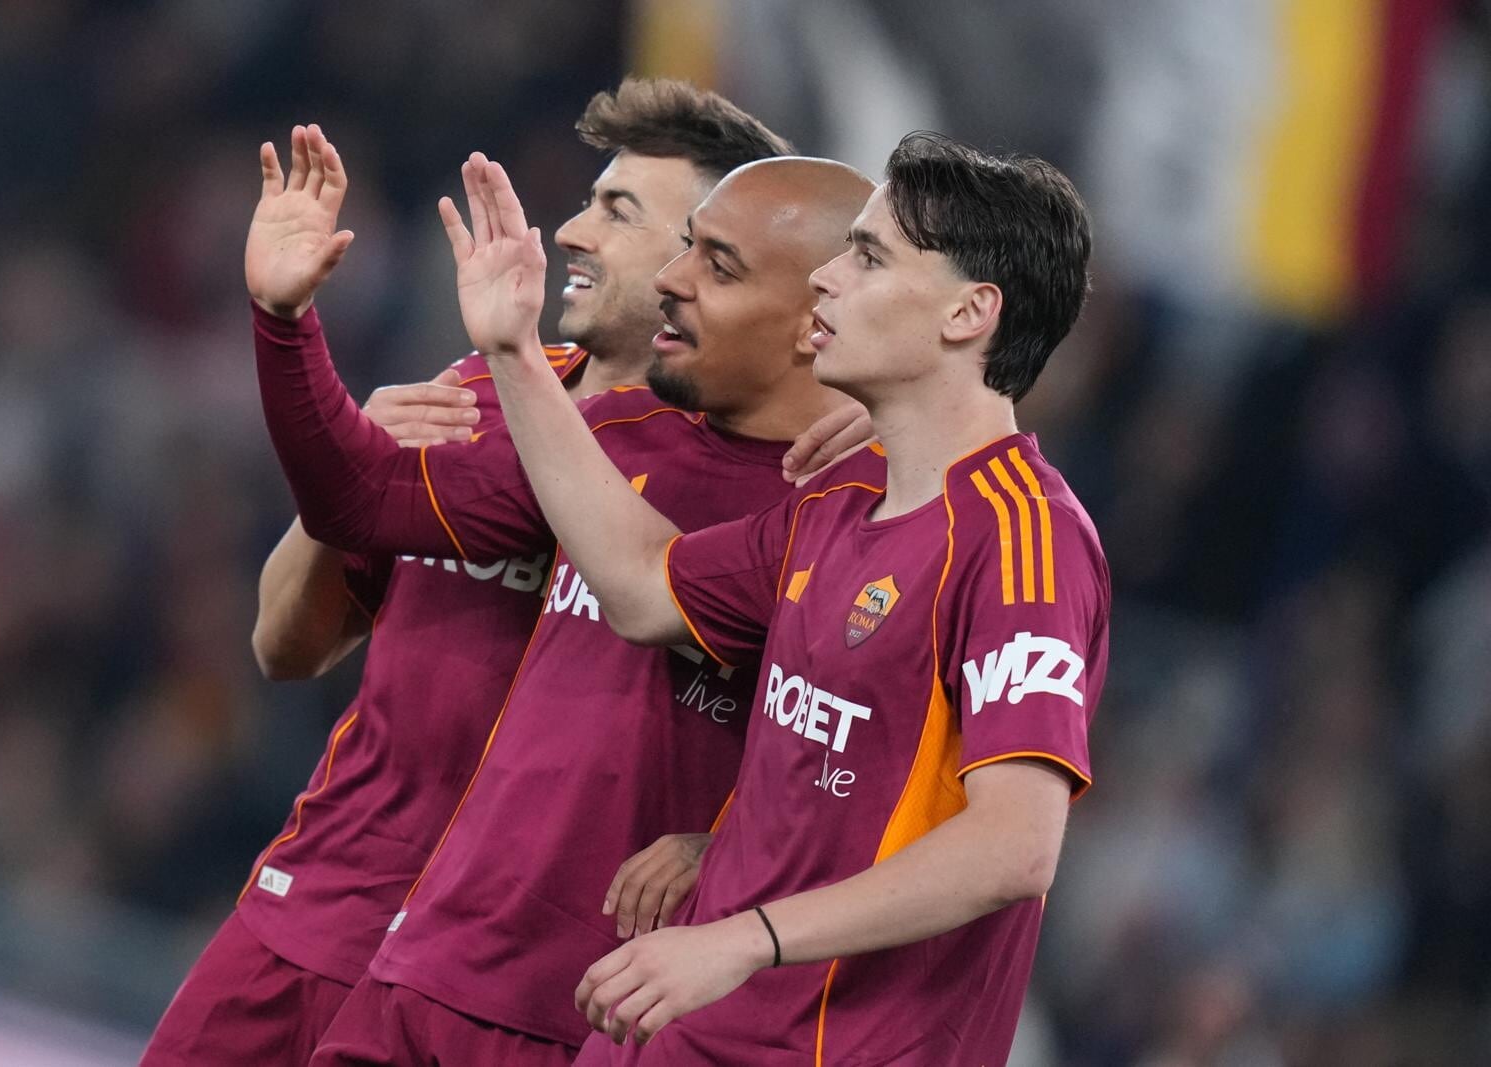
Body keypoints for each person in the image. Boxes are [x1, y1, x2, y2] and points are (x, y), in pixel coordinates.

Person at [140, 80, 798, 1066]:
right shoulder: (469, 399)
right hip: (322, 915)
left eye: (619, 211)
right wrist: (352, 474)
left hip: (518, 991)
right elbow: (284, 644)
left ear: (701, 257)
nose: (571, 230)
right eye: (589, 199)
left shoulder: (745, 489)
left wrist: (725, 841)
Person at [444, 132, 1107, 1065]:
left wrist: (743, 939)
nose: (826, 277)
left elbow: (1014, 846)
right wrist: (514, 354)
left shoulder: (1025, 540)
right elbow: (641, 586)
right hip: (676, 1028)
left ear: (969, 311)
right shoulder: (838, 497)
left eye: (868, 256)